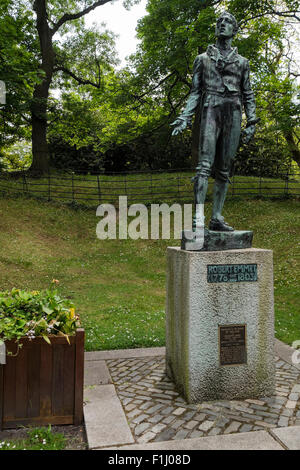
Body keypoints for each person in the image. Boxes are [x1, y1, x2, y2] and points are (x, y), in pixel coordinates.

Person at [171, 11, 259, 231]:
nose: (222, 24)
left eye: (228, 22)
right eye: (219, 21)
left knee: (225, 168)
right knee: (203, 166)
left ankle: (217, 217)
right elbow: (195, 91)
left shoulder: (242, 62)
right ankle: (198, 218)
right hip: (211, 107)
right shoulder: (202, 59)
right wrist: (185, 116)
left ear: (234, 30)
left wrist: (252, 122)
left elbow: (248, 93)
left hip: (234, 110)